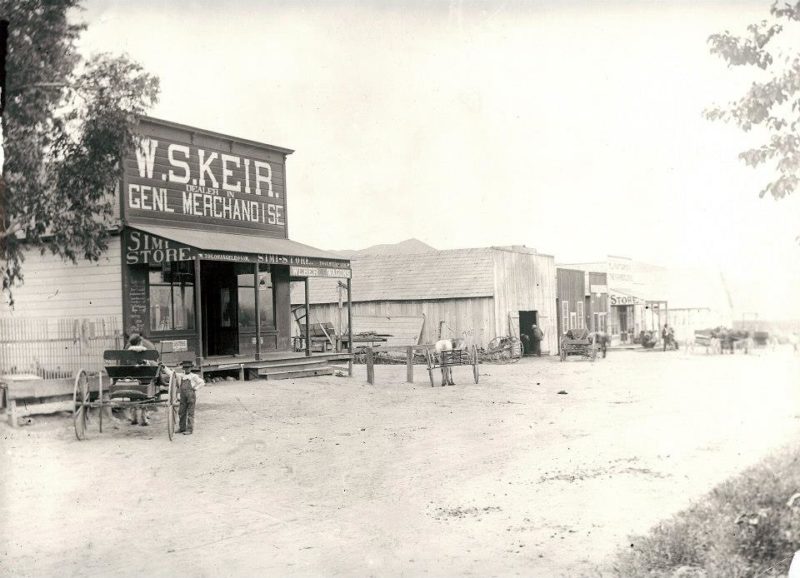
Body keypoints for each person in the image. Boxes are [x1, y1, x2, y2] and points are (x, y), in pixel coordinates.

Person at [126, 333, 158, 426]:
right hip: (143, 377)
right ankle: (144, 418)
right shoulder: (144, 350)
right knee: (145, 395)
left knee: (132, 396)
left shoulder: (127, 351)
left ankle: (134, 417)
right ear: (140, 342)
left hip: (131, 377)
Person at [177, 360, 205, 435]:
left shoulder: (194, 376)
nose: (187, 369)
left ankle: (189, 429)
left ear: (191, 368)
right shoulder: (181, 376)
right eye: (185, 368)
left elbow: (202, 382)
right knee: (181, 412)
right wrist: (164, 367)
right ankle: (182, 428)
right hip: (182, 396)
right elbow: (171, 374)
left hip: (191, 396)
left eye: (188, 367)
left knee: (190, 412)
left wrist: (196, 388)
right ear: (183, 368)